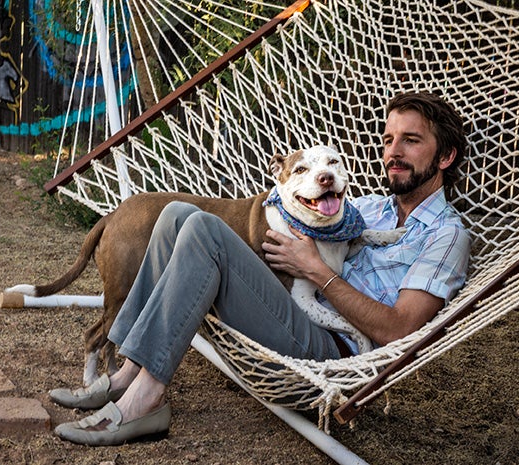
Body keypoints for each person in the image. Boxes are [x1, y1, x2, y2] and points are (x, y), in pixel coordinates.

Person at [51, 91, 472, 446]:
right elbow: (288, 208)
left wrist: (317, 272)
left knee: (202, 229)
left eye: (410, 141)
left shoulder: (447, 236)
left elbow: (398, 329)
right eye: (388, 140)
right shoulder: (365, 207)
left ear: (445, 156)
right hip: (289, 312)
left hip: (331, 355)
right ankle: (128, 373)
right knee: (178, 213)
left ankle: (145, 400)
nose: (393, 153)